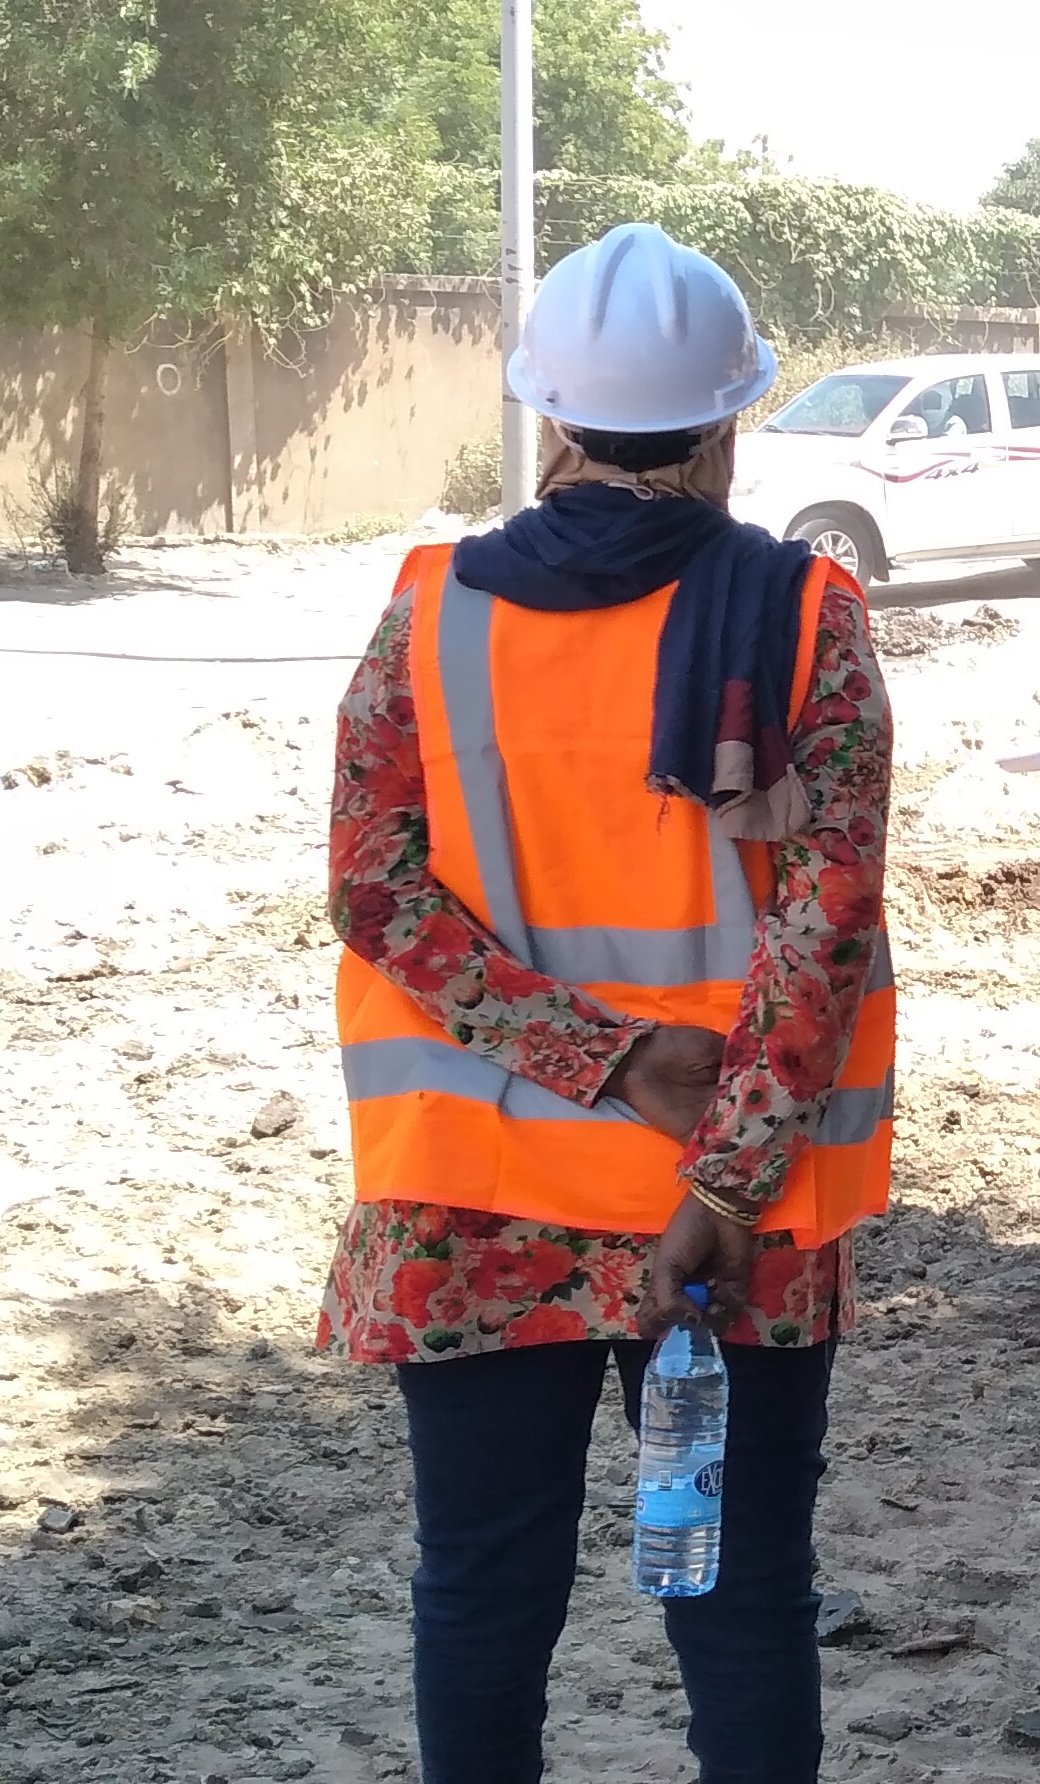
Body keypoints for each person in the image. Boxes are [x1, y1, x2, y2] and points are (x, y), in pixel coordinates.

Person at [321, 223, 897, 1784]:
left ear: (553, 418)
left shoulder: (433, 613)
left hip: (470, 1205)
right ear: (728, 425)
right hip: (730, 1219)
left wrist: (590, 1055)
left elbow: (377, 893)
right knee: (742, 1601)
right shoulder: (804, 615)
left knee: (483, 1596)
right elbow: (822, 922)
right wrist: (715, 1166)